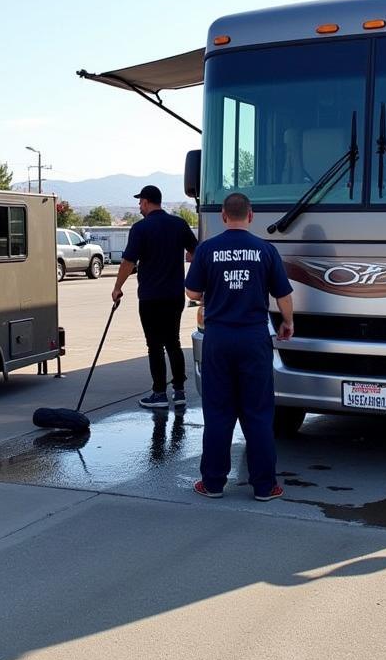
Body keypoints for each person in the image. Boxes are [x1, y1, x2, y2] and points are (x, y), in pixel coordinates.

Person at [184, 191, 294, 501]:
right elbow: (283, 294)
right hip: (253, 338)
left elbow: (192, 291)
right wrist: (288, 322)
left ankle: (213, 483)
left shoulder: (207, 249)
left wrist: (209, 294)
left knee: (218, 413)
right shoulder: (265, 250)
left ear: (222, 216)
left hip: (218, 339)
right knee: (258, 413)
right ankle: (264, 486)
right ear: (250, 216)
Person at [111, 184, 198, 409]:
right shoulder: (179, 224)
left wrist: (117, 287)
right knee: (174, 343)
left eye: (140, 202)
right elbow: (196, 251)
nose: (139, 206)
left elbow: (128, 262)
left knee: (154, 346)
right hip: (175, 296)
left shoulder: (140, 228)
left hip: (150, 298)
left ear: (147, 202)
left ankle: (159, 394)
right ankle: (179, 392)